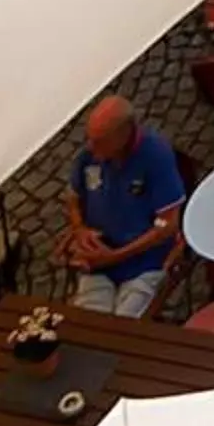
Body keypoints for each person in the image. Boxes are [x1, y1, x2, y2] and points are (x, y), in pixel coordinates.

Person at [65, 94, 186, 316]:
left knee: (122, 328)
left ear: (126, 134)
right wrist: (79, 229)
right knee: (88, 326)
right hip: (98, 264)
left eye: (100, 141)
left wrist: (117, 255)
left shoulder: (155, 156)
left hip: (144, 264)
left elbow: (166, 224)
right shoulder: (88, 157)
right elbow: (73, 199)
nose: (91, 147)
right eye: (90, 138)